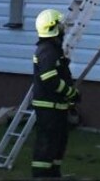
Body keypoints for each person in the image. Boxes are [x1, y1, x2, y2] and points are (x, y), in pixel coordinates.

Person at [31, 9, 79, 179]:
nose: (63, 28)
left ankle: (53, 175)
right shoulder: (47, 50)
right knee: (47, 146)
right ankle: (41, 176)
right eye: (60, 25)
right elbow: (50, 79)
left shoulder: (53, 50)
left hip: (57, 107)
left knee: (58, 145)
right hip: (48, 108)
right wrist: (71, 92)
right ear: (53, 28)